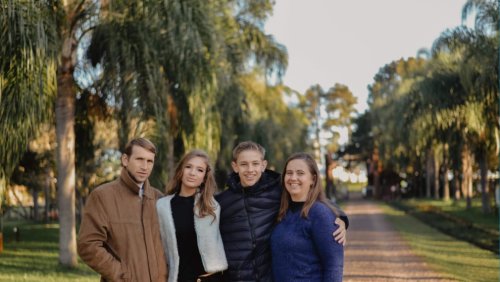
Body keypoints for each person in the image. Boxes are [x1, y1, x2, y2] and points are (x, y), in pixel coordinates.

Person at [215, 141, 348, 281]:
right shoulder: (222, 202)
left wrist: (342, 218)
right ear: (235, 167)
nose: (250, 169)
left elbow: (320, 203)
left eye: (255, 163)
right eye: (244, 164)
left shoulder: (276, 191)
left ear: (263, 165)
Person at [77, 137, 168, 282]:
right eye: (139, 159)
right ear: (125, 160)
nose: (145, 166)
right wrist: (122, 275)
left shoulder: (159, 199)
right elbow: (88, 245)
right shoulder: (102, 196)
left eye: (150, 161)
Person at [271, 152, 344, 282]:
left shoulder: (320, 214)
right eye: (289, 173)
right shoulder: (282, 211)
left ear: (313, 179)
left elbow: (333, 265)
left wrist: (343, 220)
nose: (293, 178)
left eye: (300, 173)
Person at [156, 150, 228, 282]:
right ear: (180, 171)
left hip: (211, 278)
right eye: (188, 167)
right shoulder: (162, 206)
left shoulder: (212, 206)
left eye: (200, 170)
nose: (192, 173)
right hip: (179, 278)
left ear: (204, 178)